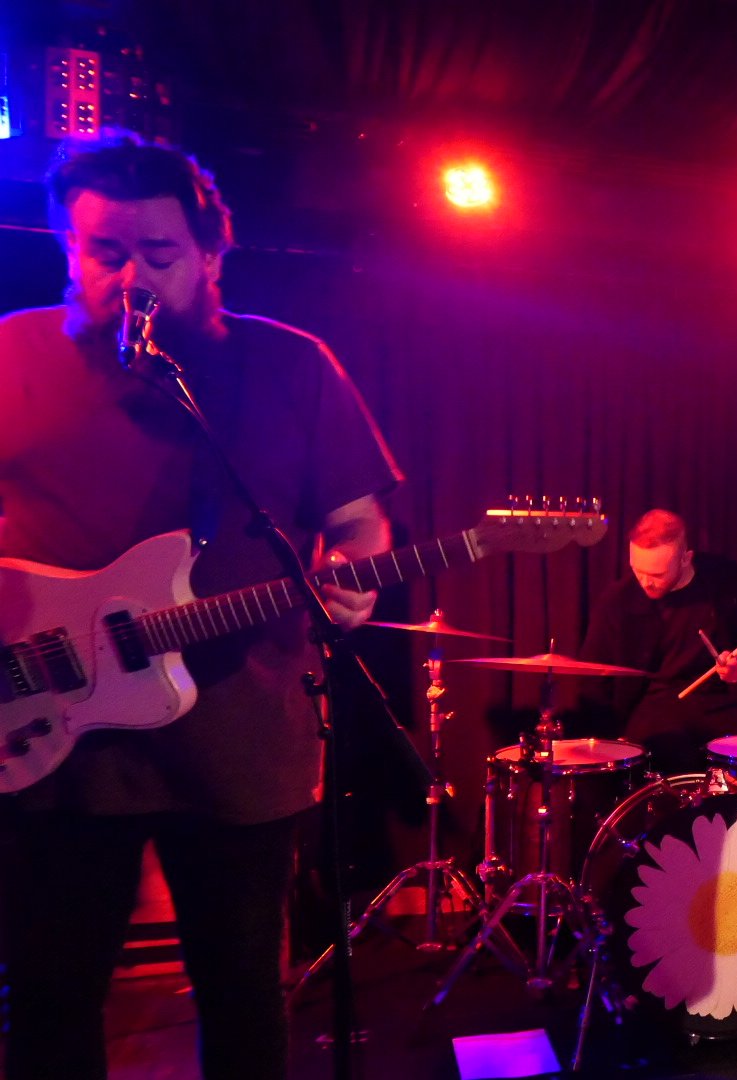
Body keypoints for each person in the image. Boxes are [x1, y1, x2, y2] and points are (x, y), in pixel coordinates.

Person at [0, 133, 401, 1079]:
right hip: (45, 732)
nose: (129, 277)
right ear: (67, 247)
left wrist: (350, 581)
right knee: (52, 1002)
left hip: (238, 740)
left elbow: (361, 526)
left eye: (159, 256)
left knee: (243, 999)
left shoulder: (292, 367)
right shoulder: (10, 355)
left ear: (213, 258)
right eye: (103, 253)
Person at [575, 508, 737, 773]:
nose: (646, 582)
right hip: (652, 706)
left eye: (656, 575)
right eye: (638, 570)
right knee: (671, 744)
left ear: (685, 559)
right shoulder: (618, 601)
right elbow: (592, 680)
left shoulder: (724, 583)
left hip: (717, 702)